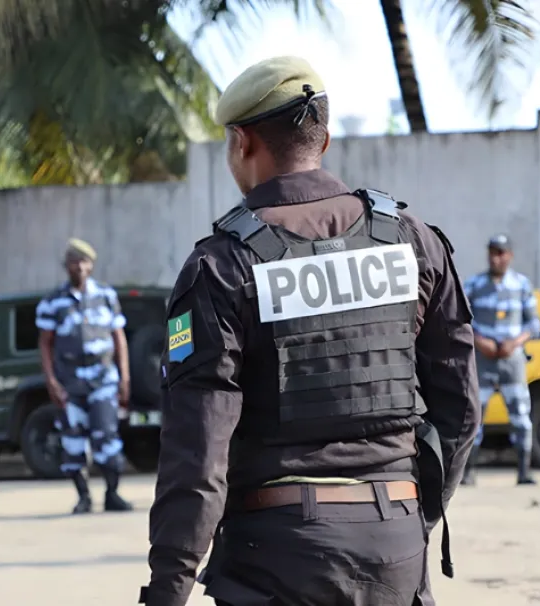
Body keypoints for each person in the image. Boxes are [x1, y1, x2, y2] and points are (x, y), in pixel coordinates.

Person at [140, 56, 480, 606]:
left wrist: (167, 589)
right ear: (322, 139)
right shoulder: (412, 242)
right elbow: (461, 409)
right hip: (395, 547)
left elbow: (198, 453)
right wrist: (417, 512)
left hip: (274, 557)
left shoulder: (224, 266)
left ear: (241, 142)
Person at [35, 238, 133, 514]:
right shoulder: (52, 302)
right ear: (65, 266)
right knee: (73, 442)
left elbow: (119, 337)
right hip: (70, 382)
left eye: (84, 261)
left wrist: (124, 377)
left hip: (103, 380)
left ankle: (113, 493)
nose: (78, 266)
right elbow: (45, 344)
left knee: (108, 438)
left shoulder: (106, 296)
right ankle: (83, 496)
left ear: (91, 265)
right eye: (73, 261)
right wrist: (51, 382)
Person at [461, 234, 540, 486]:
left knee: (520, 414)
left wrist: (515, 342)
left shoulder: (521, 285)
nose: (497, 257)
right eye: (493, 252)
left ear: (510, 255)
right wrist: (478, 340)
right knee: (475, 415)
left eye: (502, 252)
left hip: (512, 360)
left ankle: (524, 471)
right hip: (483, 360)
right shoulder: (473, 285)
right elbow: (459, 319)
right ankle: (468, 471)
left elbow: (533, 324)